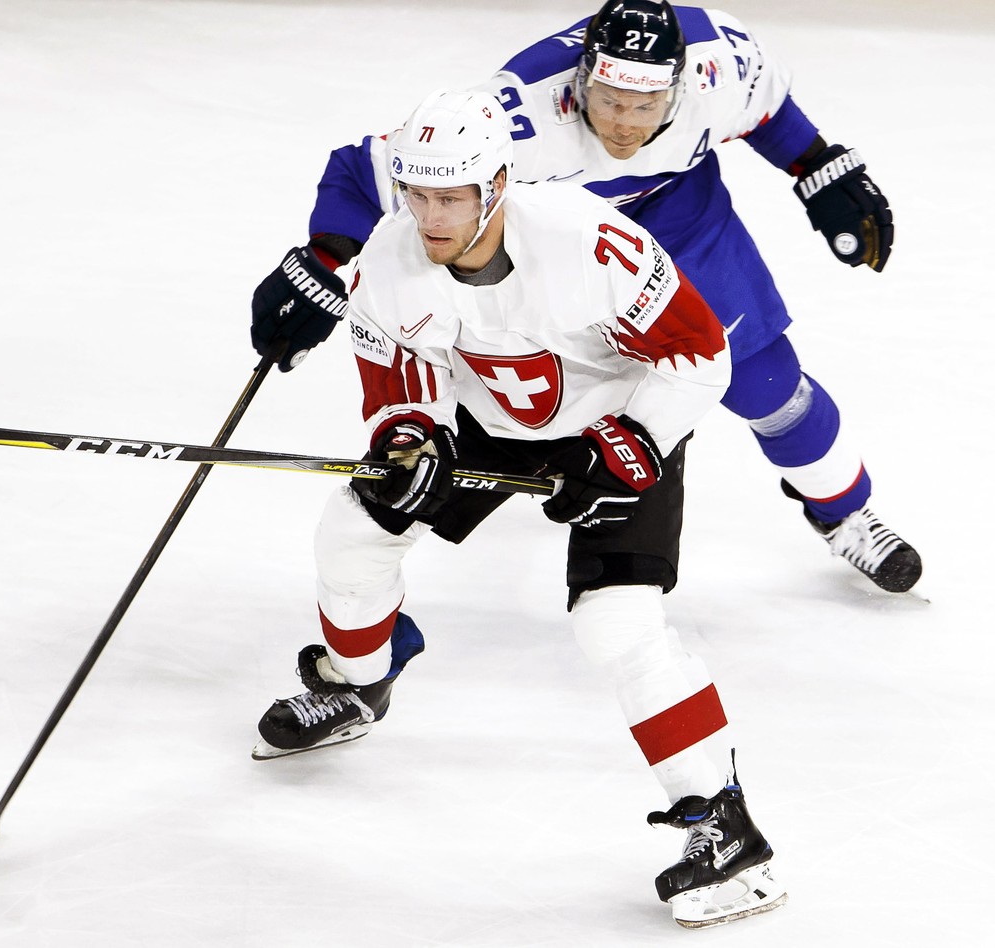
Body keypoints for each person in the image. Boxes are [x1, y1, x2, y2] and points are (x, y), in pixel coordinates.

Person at [252, 89, 786, 929]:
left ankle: (722, 827)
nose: (430, 215)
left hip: (623, 418)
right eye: (416, 193)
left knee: (616, 622)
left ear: (496, 184)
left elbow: (698, 352)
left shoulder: (590, 243)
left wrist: (633, 441)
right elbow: (400, 379)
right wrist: (410, 444)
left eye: (451, 196)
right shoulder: (390, 260)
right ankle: (358, 685)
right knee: (354, 534)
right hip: (491, 421)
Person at [250, 0, 921, 594]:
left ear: (679, 89)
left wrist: (817, 167)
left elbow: (769, 113)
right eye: (607, 101)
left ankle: (846, 512)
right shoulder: (519, 114)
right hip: (558, 241)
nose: (623, 125)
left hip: (680, 217)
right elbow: (358, 169)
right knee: (552, 391)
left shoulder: (720, 61)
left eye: (643, 106)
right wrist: (322, 260)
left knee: (765, 383)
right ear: (581, 80)